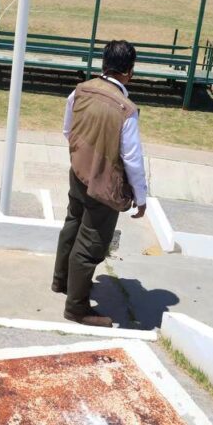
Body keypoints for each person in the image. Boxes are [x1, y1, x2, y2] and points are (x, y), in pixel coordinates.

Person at [53, 40, 148, 327]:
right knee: (91, 241)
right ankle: (77, 307)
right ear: (129, 72)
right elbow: (132, 159)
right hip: (104, 185)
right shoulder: (126, 110)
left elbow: (68, 130)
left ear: (103, 65)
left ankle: (62, 282)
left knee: (73, 223)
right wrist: (141, 198)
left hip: (77, 172)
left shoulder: (80, 91)